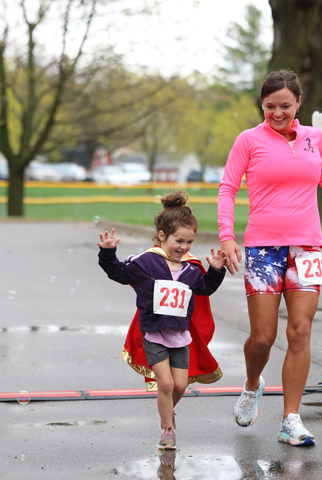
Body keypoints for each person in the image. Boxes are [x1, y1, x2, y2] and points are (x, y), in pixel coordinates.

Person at [218, 70, 322, 446]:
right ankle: (252, 384)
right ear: (262, 104)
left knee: (300, 331)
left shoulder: (314, 138)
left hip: (306, 247)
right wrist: (227, 236)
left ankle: (291, 419)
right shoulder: (248, 140)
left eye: (285, 105)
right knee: (263, 337)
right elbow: (228, 188)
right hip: (262, 249)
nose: (277, 113)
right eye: (269, 106)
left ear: (299, 103)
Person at [98, 190, 227, 450]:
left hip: (180, 336)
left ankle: (167, 412)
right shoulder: (146, 262)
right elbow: (119, 273)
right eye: (178, 241)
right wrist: (108, 253)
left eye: (189, 242)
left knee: (180, 385)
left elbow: (205, 289)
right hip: (154, 334)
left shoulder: (191, 268)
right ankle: (167, 430)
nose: (184, 247)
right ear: (162, 236)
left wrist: (215, 270)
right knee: (165, 383)